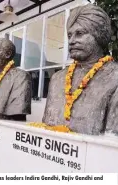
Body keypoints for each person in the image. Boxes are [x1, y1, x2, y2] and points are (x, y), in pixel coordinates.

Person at [42, 4, 118, 135]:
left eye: (80, 33)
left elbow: (111, 143)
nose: (71, 41)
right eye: (70, 35)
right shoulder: (57, 78)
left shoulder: (114, 77)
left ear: (99, 35)